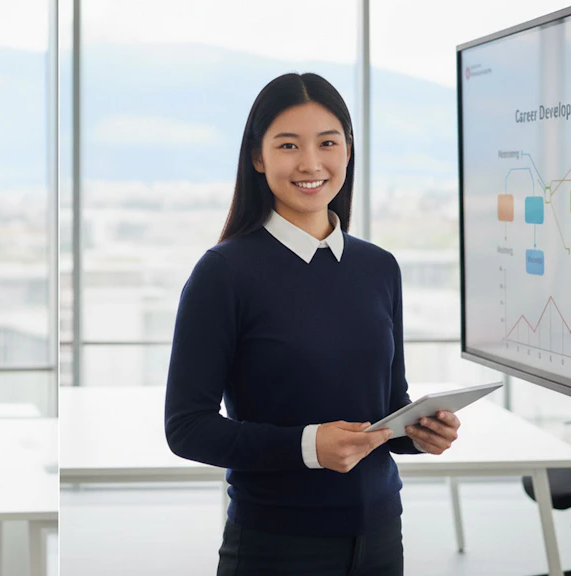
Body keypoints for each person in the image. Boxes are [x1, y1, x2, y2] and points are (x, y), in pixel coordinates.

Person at [164, 72, 462, 576]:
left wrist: (420, 431)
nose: (311, 163)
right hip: (277, 544)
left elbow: (386, 404)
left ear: (348, 151)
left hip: (382, 535)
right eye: (288, 145)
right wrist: (307, 447)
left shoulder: (379, 267)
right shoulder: (224, 272)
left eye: (328, 143)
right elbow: (186, 428)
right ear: (258, 158)